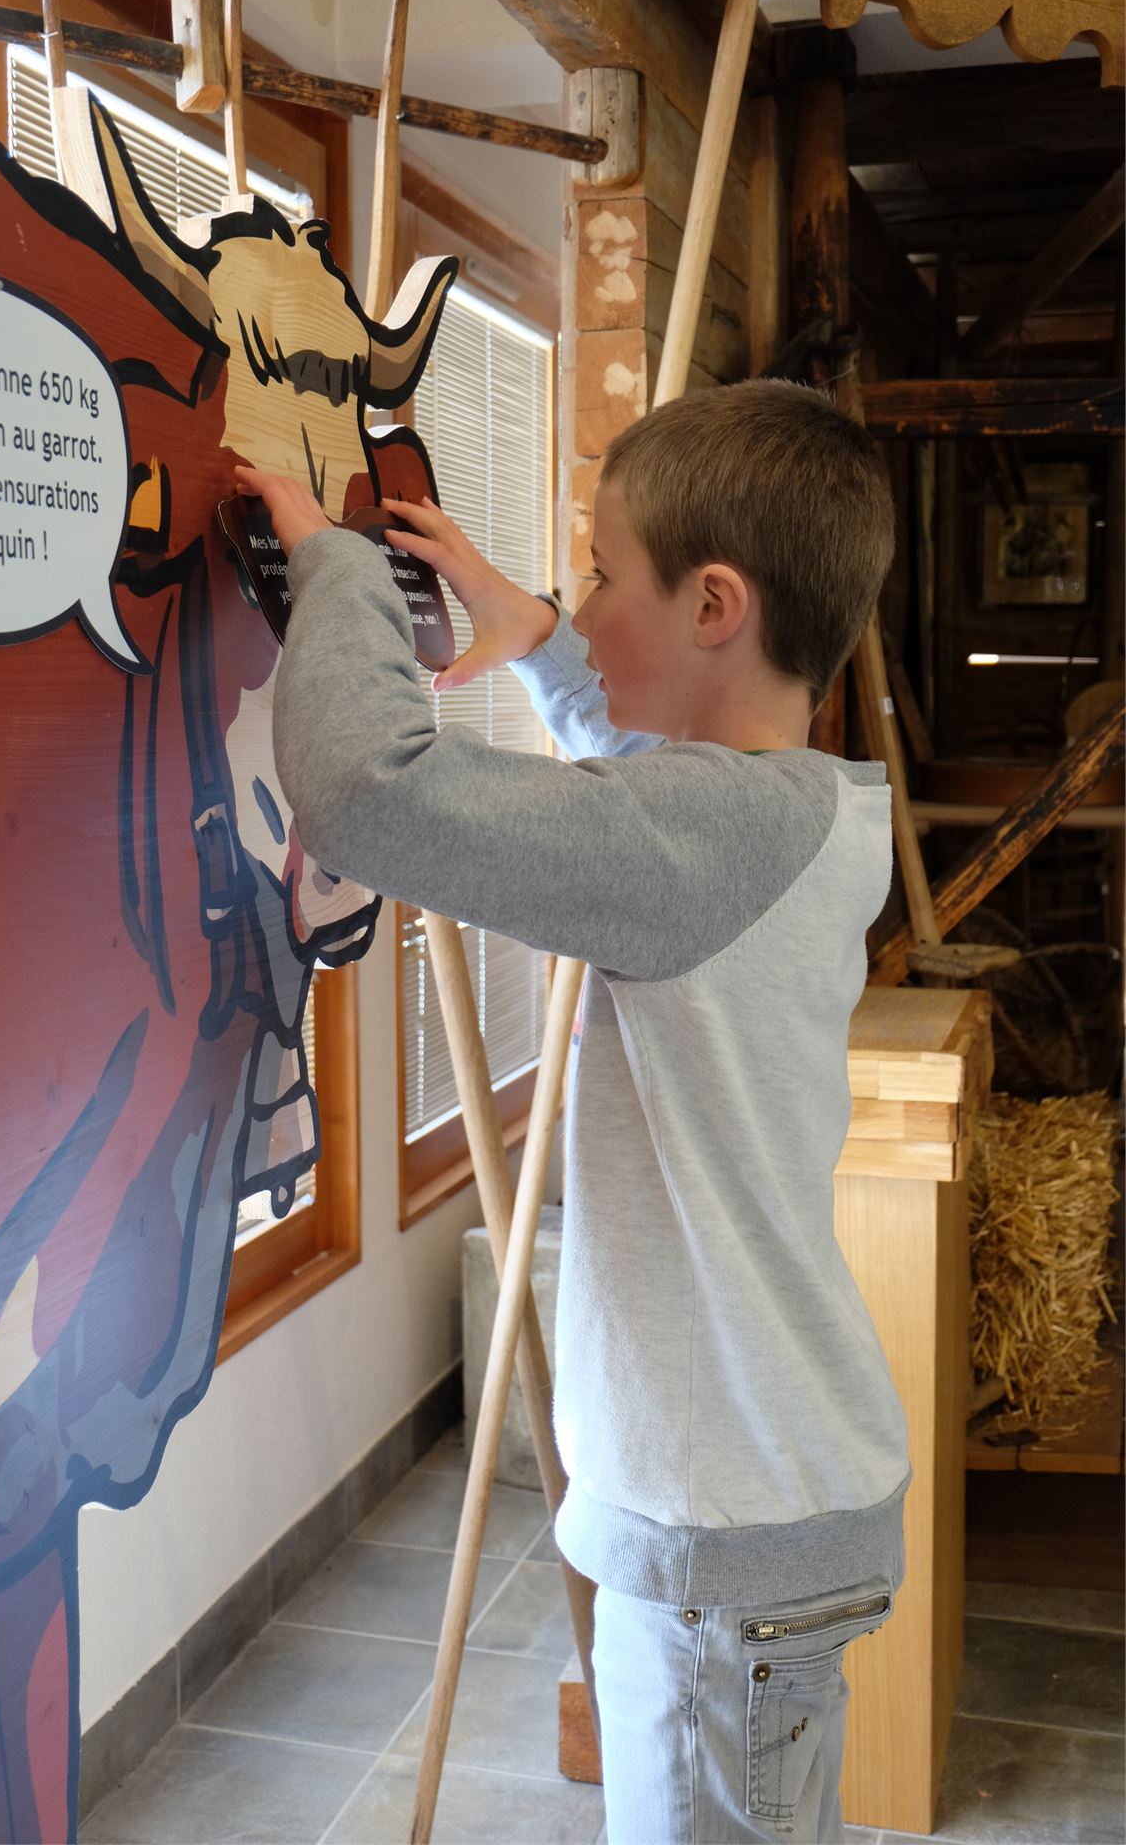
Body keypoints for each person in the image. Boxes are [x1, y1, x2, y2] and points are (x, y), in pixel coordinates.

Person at [236, 377, 912, 1845]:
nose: (581, 606)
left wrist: (337, 571)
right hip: (758, 1507)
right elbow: (645, 784)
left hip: (728, 1545)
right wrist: (541, 639)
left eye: (604, 577)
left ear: (716, 604)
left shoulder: (701, 841)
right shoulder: (801, 806)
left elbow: (366, 791)